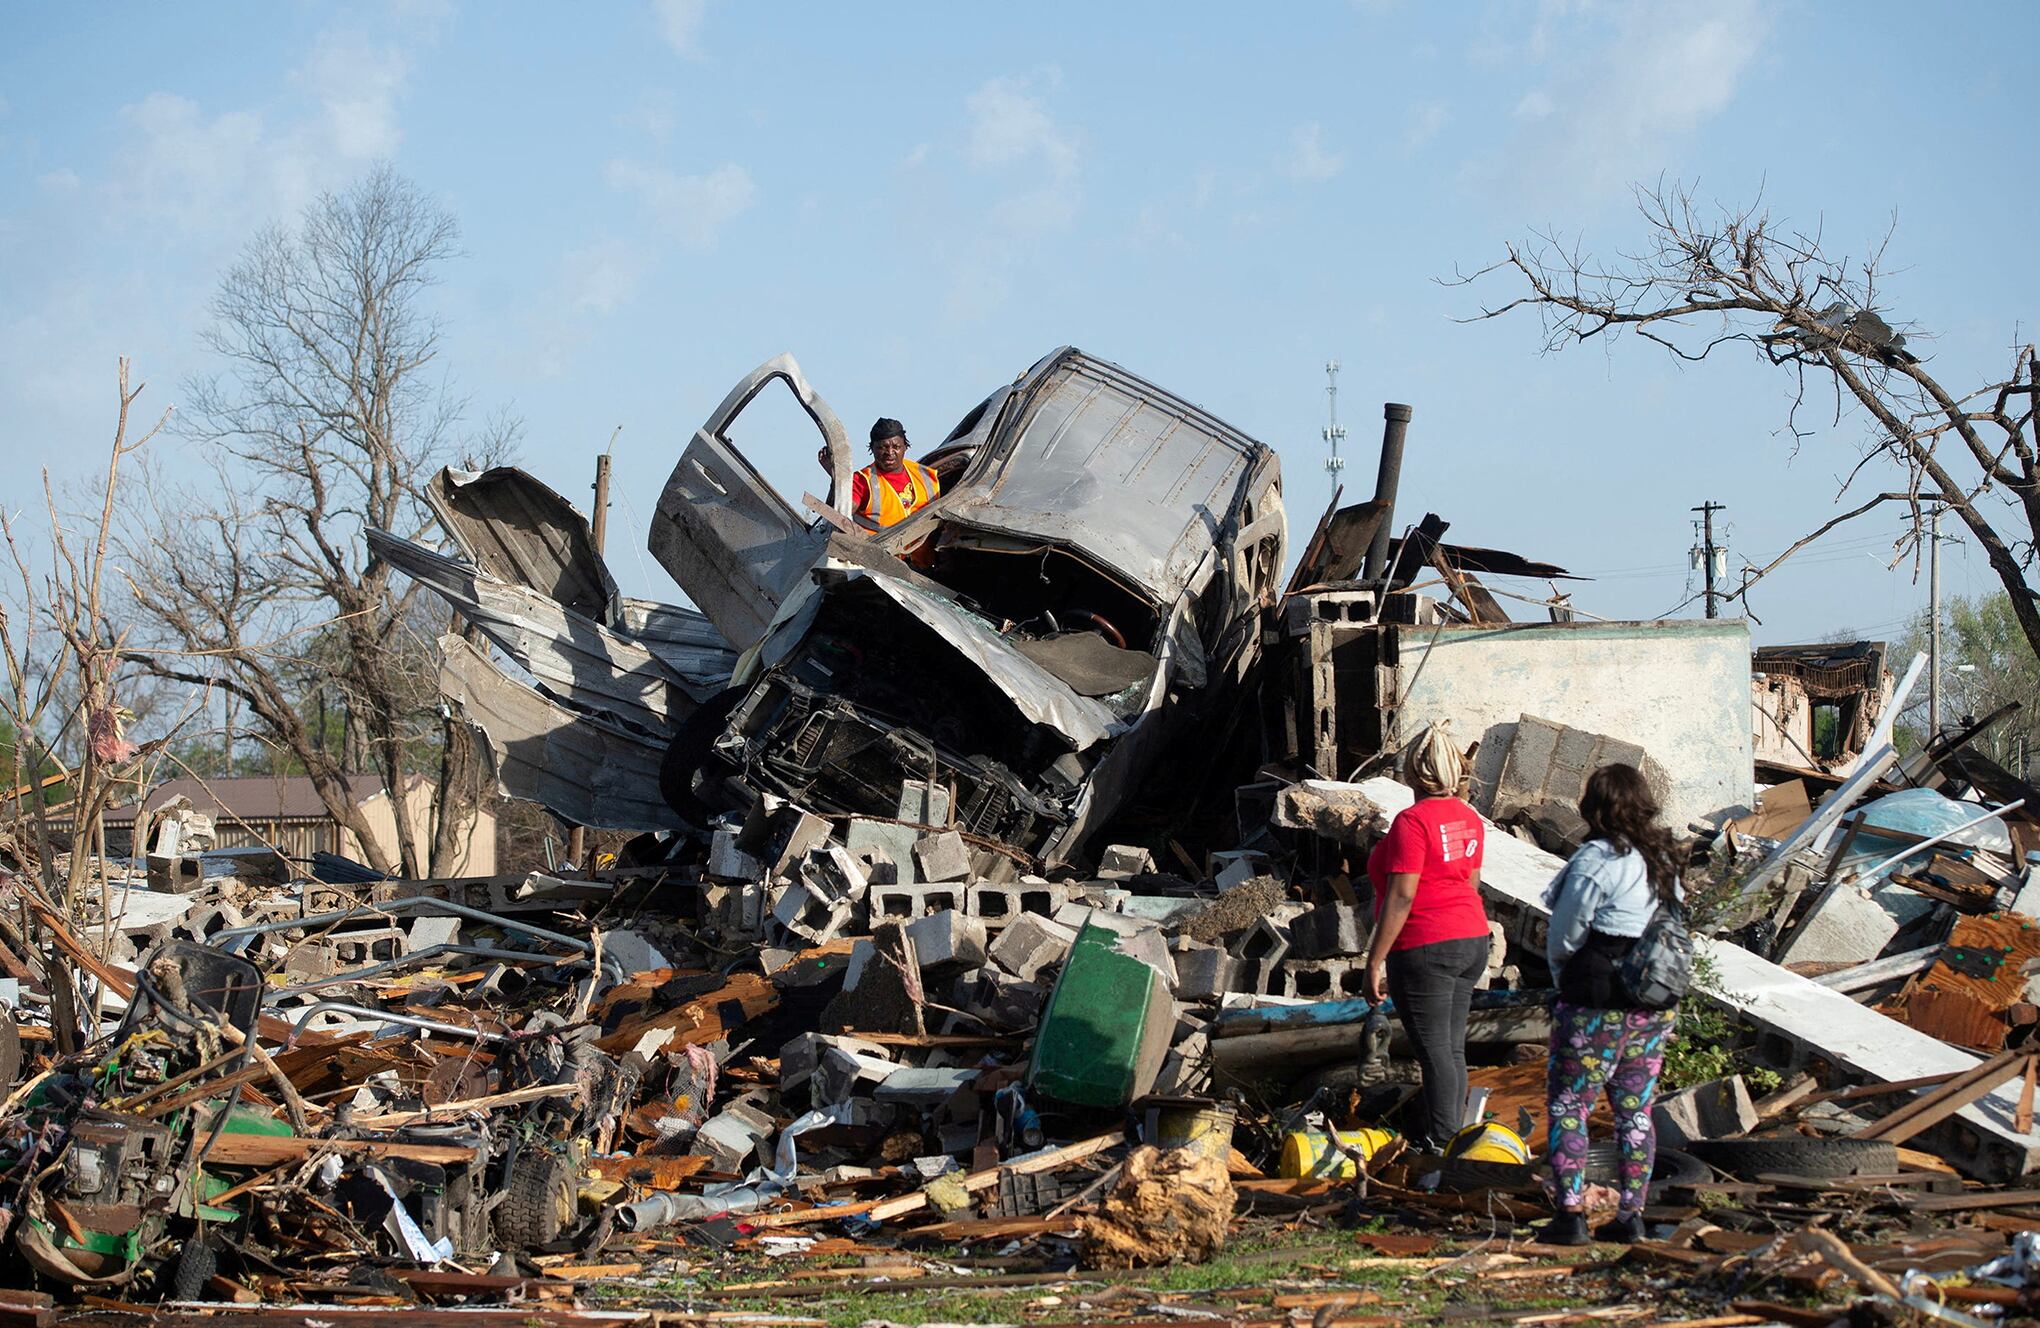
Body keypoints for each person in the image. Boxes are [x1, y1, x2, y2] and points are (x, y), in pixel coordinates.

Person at [1538, 762, 1683, 1246]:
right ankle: (1632, 1216)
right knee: (1636, 1111)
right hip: (1653, 1004)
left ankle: (1572, 1215)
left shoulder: (1596, 858)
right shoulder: (1662, 858)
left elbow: (1565, 934)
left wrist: (1564, 981)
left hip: (1594, 1002)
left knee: (1569, 1105)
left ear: (1593, 807)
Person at [1362, 721, 1491, 1150]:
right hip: (1472, 938)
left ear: (1414, 774)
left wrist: (1374, 959)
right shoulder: (1469, 819)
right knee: (1451, 1051)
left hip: (1424, 944)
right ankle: (1451, 1139)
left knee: (1435, 1053)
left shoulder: (1412, 822)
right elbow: (1471, 883)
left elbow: (1402, 895)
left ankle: (1441, 1145)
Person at [818, 418, 940, 530]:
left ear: (905, 447)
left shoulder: (925, 475)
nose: (890, 452)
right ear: (872, 449)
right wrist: (837, 479)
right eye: (883, 447)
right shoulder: (862, 481)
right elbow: (837, 519)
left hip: (928, 552)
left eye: (896, 446)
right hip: (879, 552)